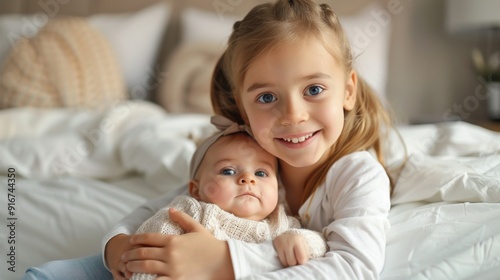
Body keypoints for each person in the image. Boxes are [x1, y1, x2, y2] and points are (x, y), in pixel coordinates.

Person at [23, 0, 394, 279]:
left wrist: (223, 260)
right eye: (266, 97)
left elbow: (354, 267)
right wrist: (117, 245)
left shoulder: (358, 174)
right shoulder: (251, 155)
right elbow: (160, 207)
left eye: (314, 89)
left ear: (347, 91)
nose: (293, 115)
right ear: (243, 108)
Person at [131, 115, 327, 280]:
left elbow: (321, 245)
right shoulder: (189, 212)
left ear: (279, 188)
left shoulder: (282, 224)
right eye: (228, 171)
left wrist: (298, 240)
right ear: (196, 190)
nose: (247, 179)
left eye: (261, 173)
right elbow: (150, 250)